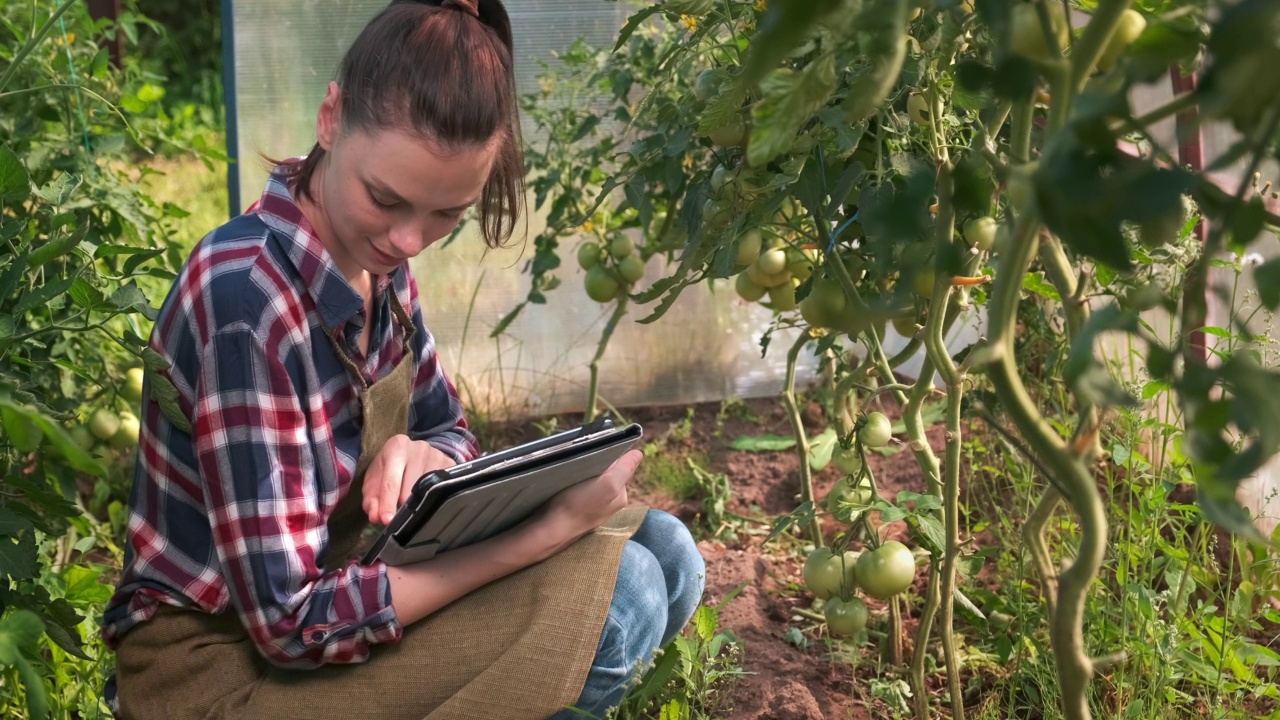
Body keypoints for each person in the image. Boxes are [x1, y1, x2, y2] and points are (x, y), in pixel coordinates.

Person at [100, 1, 706, 717]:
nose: (410, 240)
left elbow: (451, 429)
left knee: (666, 550)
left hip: (348, 583)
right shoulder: (247, 303)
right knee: (621, 597)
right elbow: (289, 624)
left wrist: (423, 454)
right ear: (331, 119)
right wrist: (541, 535)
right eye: (386, 198)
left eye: (447, 214)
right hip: (223, 668)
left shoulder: (375, 260)